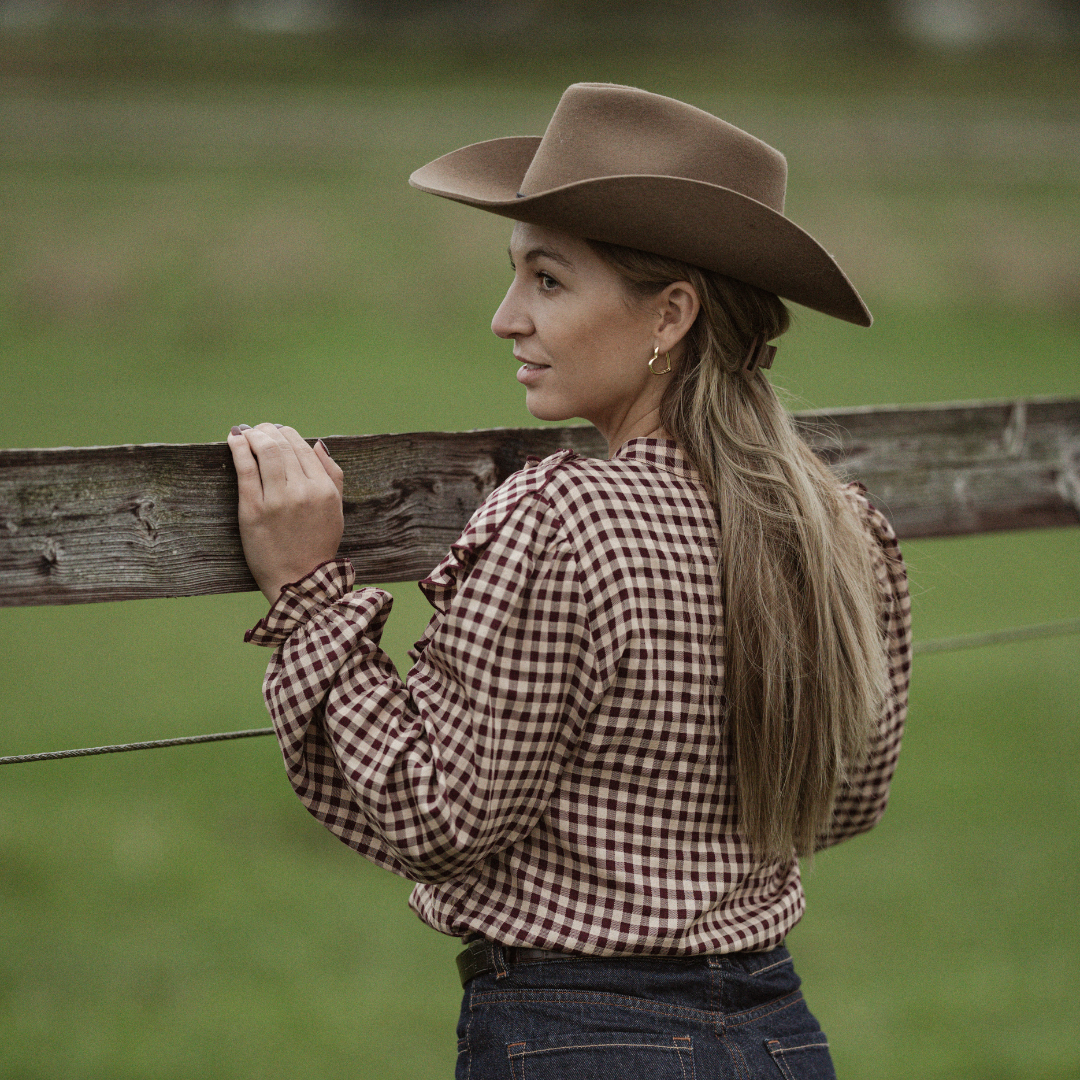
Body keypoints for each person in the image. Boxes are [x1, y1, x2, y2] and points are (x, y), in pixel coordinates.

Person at [227, 83, 911, 1080]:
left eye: (548, 281)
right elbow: (843, 801)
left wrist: (310, 596)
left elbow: (436, 814)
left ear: (670, 313)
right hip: (778, 1038)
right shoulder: (844, 529)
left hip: (578, 1039)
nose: (506, 319)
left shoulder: (565, 519)